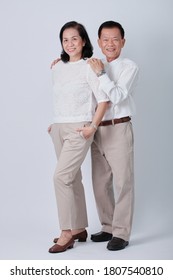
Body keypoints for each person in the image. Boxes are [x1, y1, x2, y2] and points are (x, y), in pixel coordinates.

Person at [48, 21, 109, 253]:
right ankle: (78, 228)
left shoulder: (89, 66)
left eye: (74, 38)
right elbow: (62, 97)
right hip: (59, 128)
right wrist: (55, 123)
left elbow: (103, 100)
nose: (70, 43)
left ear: (83, 41)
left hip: (80, 128)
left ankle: (66, 232)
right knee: (71, 179)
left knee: (60, 177)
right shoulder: (57, 67)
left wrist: (92, 127)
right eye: (65, 40)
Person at [87, 21, 139, 250]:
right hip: (97, 128)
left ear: (123, 42)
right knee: (100, 183)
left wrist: (100, 73)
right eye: (105, 39)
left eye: (115, 39)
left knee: (123, 182)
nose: (110, 44)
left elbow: (117, 96)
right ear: (98, 42)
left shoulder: (129, 67)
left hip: (119, 127)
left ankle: (121, 233)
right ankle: (107, 227)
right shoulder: (92, 65)